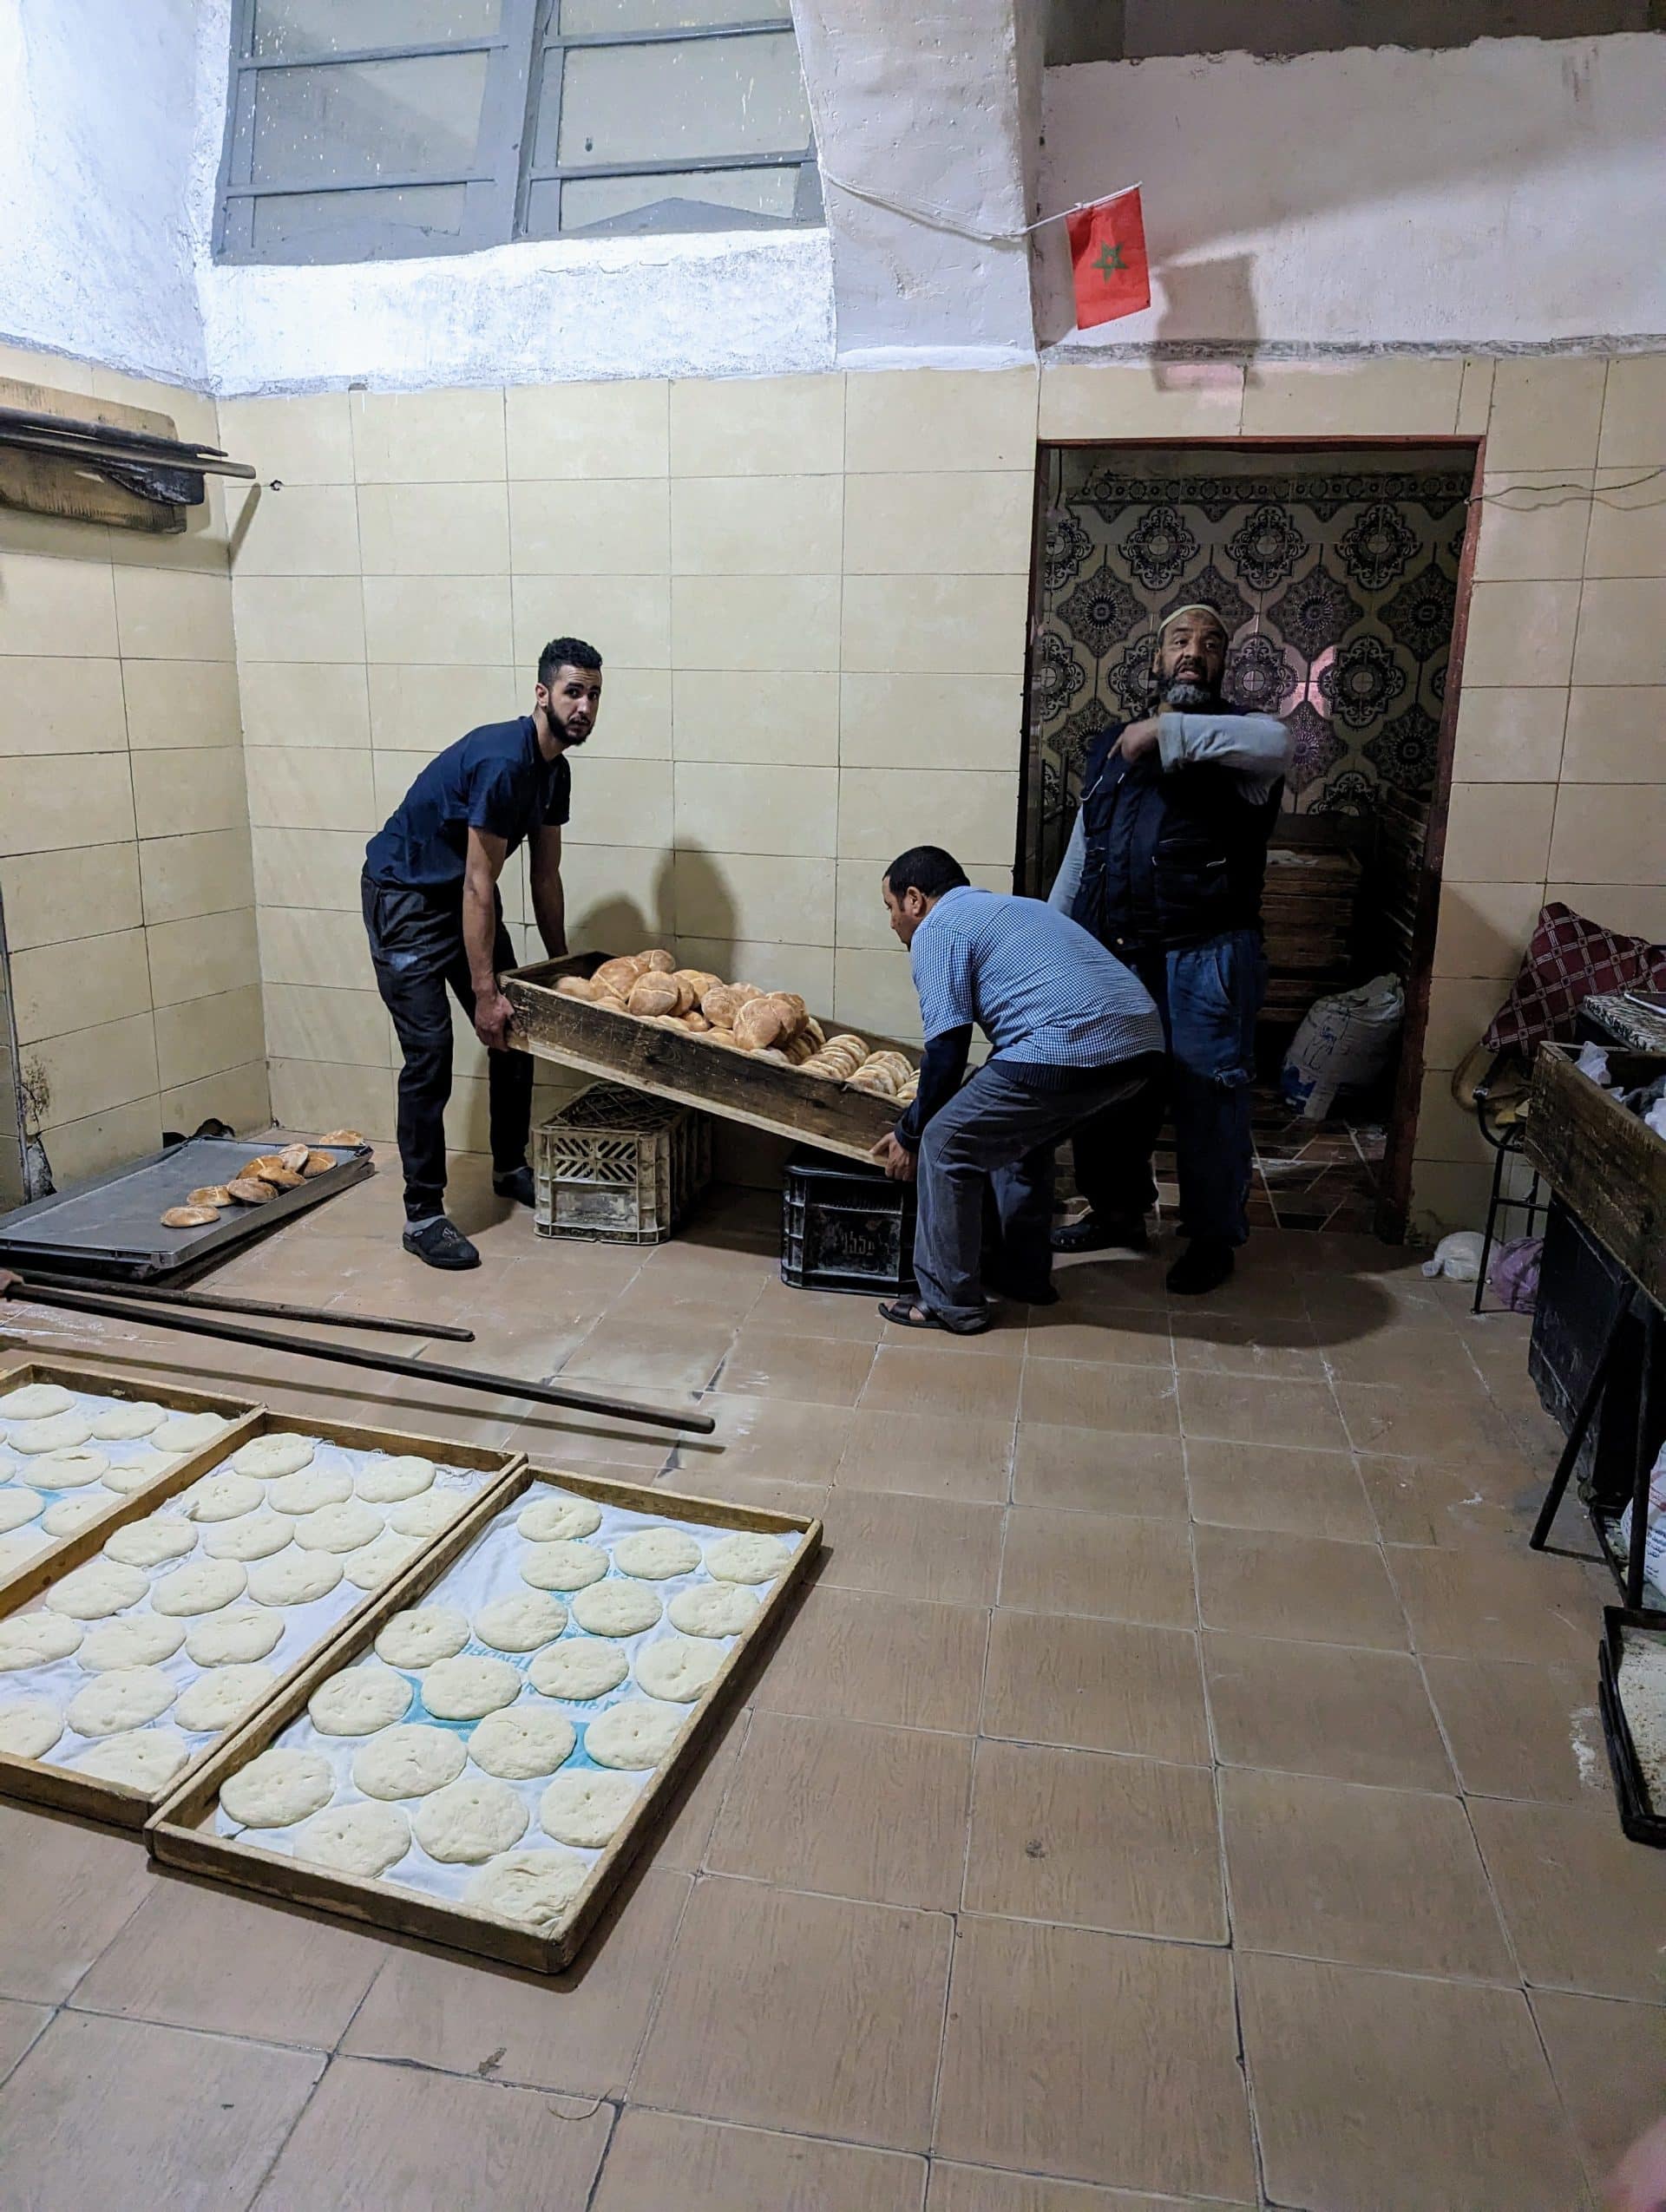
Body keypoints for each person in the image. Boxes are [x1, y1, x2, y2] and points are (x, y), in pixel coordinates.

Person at [1048, 603, 1292, 1298]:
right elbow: (1081, 851)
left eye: (1210, 644)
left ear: (1223, 665)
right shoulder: (1108, 749)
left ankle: (1212, 1236)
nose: (1194, 652)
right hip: (1116, 954)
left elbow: (1281, 744)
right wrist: (1051, 942)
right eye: (1179, 641)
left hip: (1205, 956)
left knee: (1207, 1100)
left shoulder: (1240, 745)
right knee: (1108, 1091)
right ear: (1155, 660)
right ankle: (1119, 1212)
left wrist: (1165, 730)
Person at [360, 638, 602, 1270]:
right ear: (542, 695)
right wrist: (485, 993)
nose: (584, 707)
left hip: (461, 897)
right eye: (573, 692)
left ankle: (509, 1165)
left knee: (517, 1024)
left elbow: (543, 878)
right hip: (407, 897)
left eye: (594, 694)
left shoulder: (556, 771)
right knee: (432, 1053)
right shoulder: (504, 762)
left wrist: (562, 972)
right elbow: (479, 883)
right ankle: (423, 1215)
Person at [870, 846, 1167, 1334]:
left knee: (946, 1143)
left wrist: (910, 1132)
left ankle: (950, 1302)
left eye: (891, 908)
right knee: (1018, 1137)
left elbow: (946, 1051)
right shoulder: (1018, 908)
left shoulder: (939, 929)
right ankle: (1025, 1276)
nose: (893, 923)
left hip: (1071, 1046)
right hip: (1142, 1046)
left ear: (916, 899)